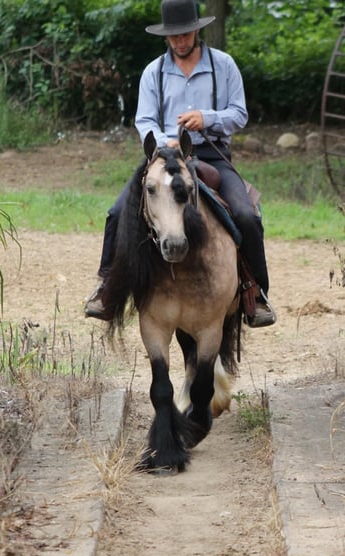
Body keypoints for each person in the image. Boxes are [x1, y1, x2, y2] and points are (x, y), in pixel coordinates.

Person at [84, 0, 275, 328]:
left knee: (244, 213)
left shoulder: (224, 65)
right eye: (173, 37)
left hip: (212, 155)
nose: (180, 41)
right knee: (118, 213)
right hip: (165, 158)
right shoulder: (153, 72)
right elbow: (144, 120)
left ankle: (254, 294)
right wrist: (163, 142)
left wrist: (207, 118)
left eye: (185, 34)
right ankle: (106, 289)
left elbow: (239, 113)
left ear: (197, 30)